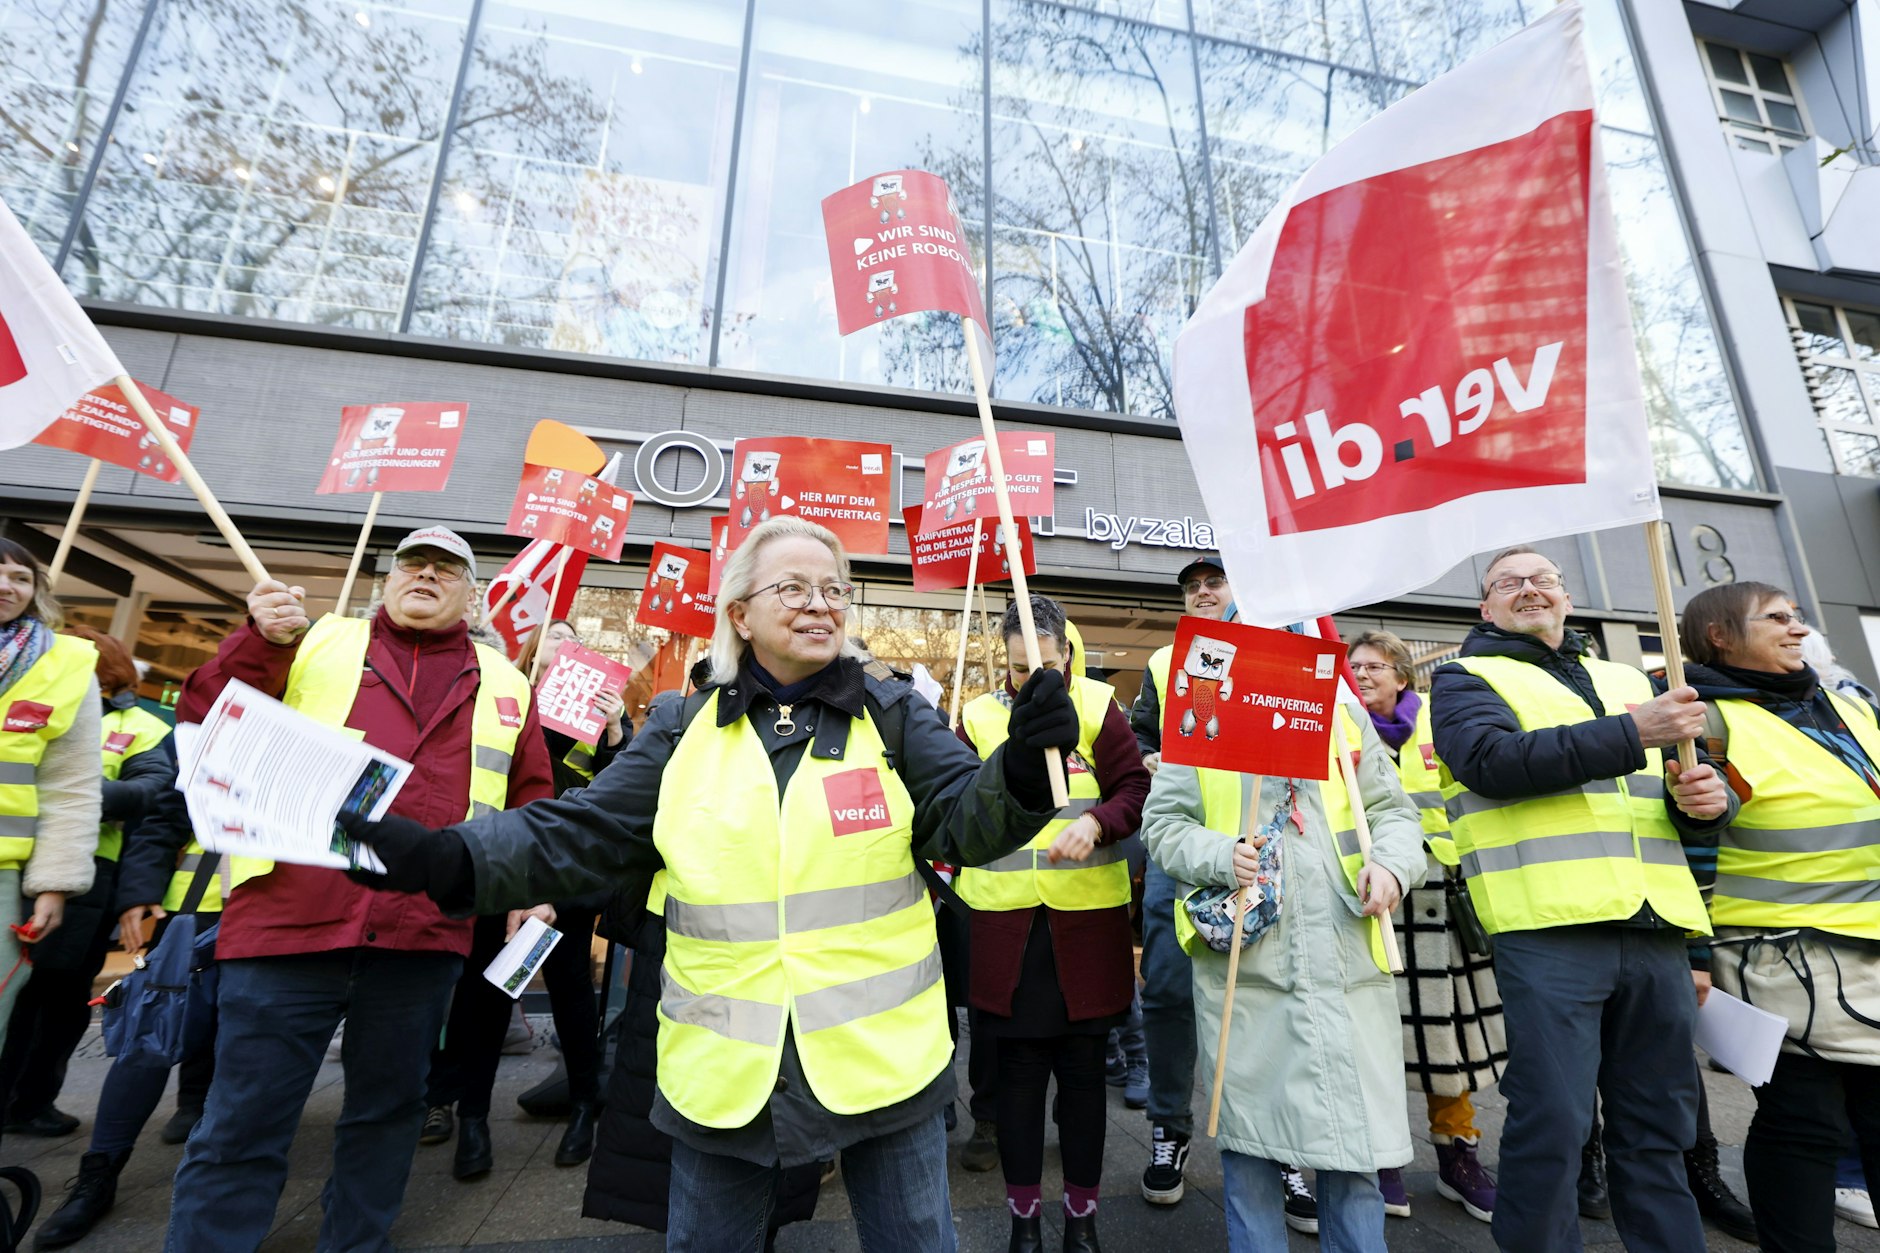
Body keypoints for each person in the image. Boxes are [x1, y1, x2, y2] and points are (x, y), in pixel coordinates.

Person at [341, 516, 1079, 1253]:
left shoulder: (893, 715)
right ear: (740, 615)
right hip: (724, 1075)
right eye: (793, 588)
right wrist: (454, 857)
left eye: (833, 590)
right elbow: (580, 830)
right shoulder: (679, 726)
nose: (820, 604)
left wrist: (1019, 769)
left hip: (884, 1065)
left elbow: (965, 821)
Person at [163, 526, 554, 1251]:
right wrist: (259, 640)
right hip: (289, 922)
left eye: (447, 569)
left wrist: (533, 887)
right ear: (387, 580)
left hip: (422, 934)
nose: (426, 575)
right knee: (243, 1121)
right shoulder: (311, 640)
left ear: (473, 597)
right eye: (412, 563)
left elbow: (530, 798)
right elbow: (204, 719)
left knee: (387, 1117)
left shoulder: (508, 681)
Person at [1429, 545, 1734, 1253]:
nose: (1529, 589)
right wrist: (1634, 732)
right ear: (1486, 607)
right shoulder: (1464, 678)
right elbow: (1491, 763)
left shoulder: (1626, 677)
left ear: (1567, 597)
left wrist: (1708, 802)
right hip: (1549, 928)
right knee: (1554, 1124)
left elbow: (1676, 794)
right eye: (1509, 582)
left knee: (1660, 1126)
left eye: (1544, 578)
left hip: (1655, 926)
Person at [1144, 685, 1426, 1251]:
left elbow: (1393, 810)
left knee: (1356, 1157)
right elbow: (1164, 824)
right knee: (1251, 1157)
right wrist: (1220, 855)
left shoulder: (1344, 711)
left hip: (1346, 963)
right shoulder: (1201, 709)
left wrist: (1392, 866)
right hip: (1250, 972)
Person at [1679, 583, 1880, 1252]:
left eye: (1797, 616)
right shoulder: (1704, 719)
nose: (1798, 629)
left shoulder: (1849, 706)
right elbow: (1693, 841)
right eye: (1776, 618)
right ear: (1720, 635)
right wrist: (1693, 955)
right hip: (1777, 958)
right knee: (1804, 1121)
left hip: (1868, 948)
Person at [956, 595, 1150, 1253]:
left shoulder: (1097, 706)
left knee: (1086, 1080)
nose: (1031, 676)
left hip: (1086, 930)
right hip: (1005, 931)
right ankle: (1024, 1225)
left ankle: (1082, 1222)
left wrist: (1097, 822)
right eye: (1018, 667)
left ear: (1067, 651)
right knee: (1016, 1084)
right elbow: (956, 807)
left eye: (1045, 663)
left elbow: (1134, 789)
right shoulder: (978, 716)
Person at [1129, 558, 1314, 1226]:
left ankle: (1283, 1147)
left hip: (1269, 848)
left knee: (1271, 993)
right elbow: (1142, 732)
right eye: (1192, 586)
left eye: (1214, 582)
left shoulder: (1284, 644)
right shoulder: (1164, 659)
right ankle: (1170, 1126)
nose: (1202, 592)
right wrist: (1147, 755)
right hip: (1186, 846)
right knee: (1169, 994)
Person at [421, 618, 627, 1177]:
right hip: (507, 874)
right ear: (534, 649)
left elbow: (614, 798)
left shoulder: (602, 717)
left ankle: (583, 1107)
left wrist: (613, 731)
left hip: (565, 880)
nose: (568, 643)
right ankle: (471, 1117)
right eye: (556, 635)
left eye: (575, 638)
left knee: (571, 993)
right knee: (484, 997)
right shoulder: (503, 698)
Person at [32, 741, 220, 1249]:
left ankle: (220, 1181)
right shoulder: (222, 722)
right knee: (145, 1045)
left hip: (294, 919)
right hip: (197, 911)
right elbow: (164, 820)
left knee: (252, 1054)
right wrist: (139, 893)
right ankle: (98, 1176)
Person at [1347, 630, 1501, 1224]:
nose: (1362, 674)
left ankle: (1457, 1154)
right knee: (1375, 1031)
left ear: (1402, 676)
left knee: (1447, 1036)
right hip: (1371, 896)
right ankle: (1382, 1157)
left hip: (1442, 896)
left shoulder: (1442, 719)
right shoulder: (1336, 726)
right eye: (1355, 666)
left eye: (1374, 666)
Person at [1, 625, 172, 1139]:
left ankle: (28, 1102)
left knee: (53, 1000)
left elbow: (150, 791)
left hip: (84, 878)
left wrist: (72, 789)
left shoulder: (141, 726)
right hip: (13, 864)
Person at [0, 538, 100, 1040]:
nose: (6, 586)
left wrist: (54, 884)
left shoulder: (67, 664)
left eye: (20, 578)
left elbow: (72, 787)